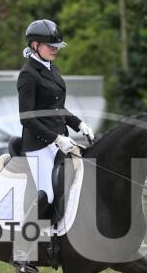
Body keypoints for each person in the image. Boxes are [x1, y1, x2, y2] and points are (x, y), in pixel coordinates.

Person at [17, 19, 95, 225]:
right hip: (39, 145)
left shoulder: (53, 68)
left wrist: (79, 124)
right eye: (51, 46)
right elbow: (26, 118)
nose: (55, 50)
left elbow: (57, 108)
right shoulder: (28, 75)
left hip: (59, 141)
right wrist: (56, 139)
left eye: (57, 46)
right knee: (48, 195)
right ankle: (26, 237)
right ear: (35, 45)